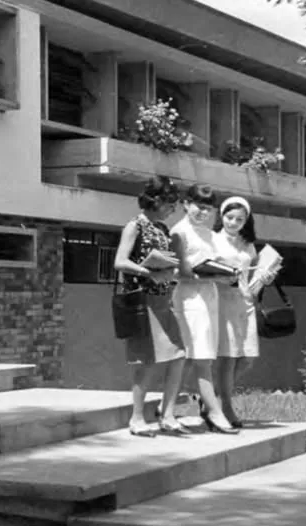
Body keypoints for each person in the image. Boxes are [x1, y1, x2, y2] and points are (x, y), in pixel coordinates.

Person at [113, 176, 188, 437]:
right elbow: (120, 262)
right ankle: (136, 418)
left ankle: (167, 414)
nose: (172, 210)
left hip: (164, 300)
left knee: (178, 356)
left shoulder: (163, 230)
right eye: (170, 204)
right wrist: (148, 272)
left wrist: (171, 271)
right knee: (147, 362)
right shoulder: (135, 226)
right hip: (144, 301)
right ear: (155, 201)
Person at [169, 184, 238, 434]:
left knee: (198, 354)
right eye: (198, 206)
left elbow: (219, 263)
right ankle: (214, 411)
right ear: (186, 204)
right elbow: (176, 272)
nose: (202, 213)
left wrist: (228, 274)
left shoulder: (208, 234)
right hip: (189, 299)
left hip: (209, 298)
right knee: (200, 357)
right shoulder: (179, 232)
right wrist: (212, 277)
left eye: (208, 209)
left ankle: (166, 407)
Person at [212, 196, 280, 428]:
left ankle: (210, 395)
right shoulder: (212, 240)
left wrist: (265, 278)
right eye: (229, 217)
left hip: (246, 301)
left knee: (247, 357)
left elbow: (252, 276)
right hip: (223, 300)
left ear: (246, 221)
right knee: (228, 357)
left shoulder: (248, 243)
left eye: (239, 219)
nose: (233, 223)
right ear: (221, 216)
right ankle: (226, 407)